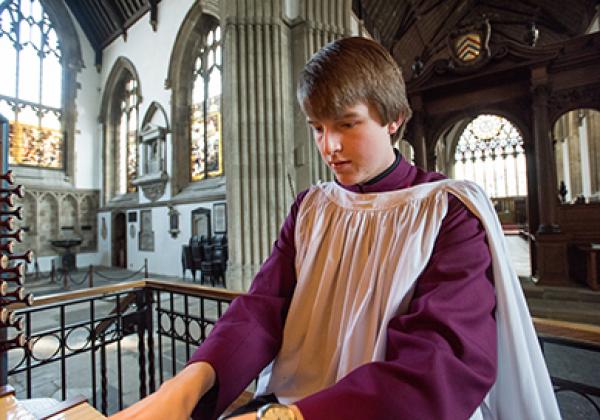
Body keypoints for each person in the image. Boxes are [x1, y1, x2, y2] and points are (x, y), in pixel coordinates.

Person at [111, 37, 560, 420]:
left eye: (347, 124)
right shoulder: (312, 207)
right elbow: (263, 309)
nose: (329, 146)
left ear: (393, 119)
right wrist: (192, 381)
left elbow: (441, 358)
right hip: (291, 403)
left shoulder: (448, 210)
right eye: (317, 128)